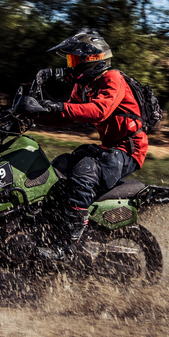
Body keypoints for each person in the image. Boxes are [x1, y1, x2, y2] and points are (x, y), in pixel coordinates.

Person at [18, 30, 148, 261]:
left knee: (85, 170)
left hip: (127, 150)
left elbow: (100, 111)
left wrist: (54, 106)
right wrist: (33, 114)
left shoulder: (113, 78)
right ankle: (47, 228)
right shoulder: (84, 86)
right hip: (108, 148)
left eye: (74, 60)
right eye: (70, 60)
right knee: (60, 165)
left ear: (93, 59)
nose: (71, 65)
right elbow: (65, 117)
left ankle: (67, 247)